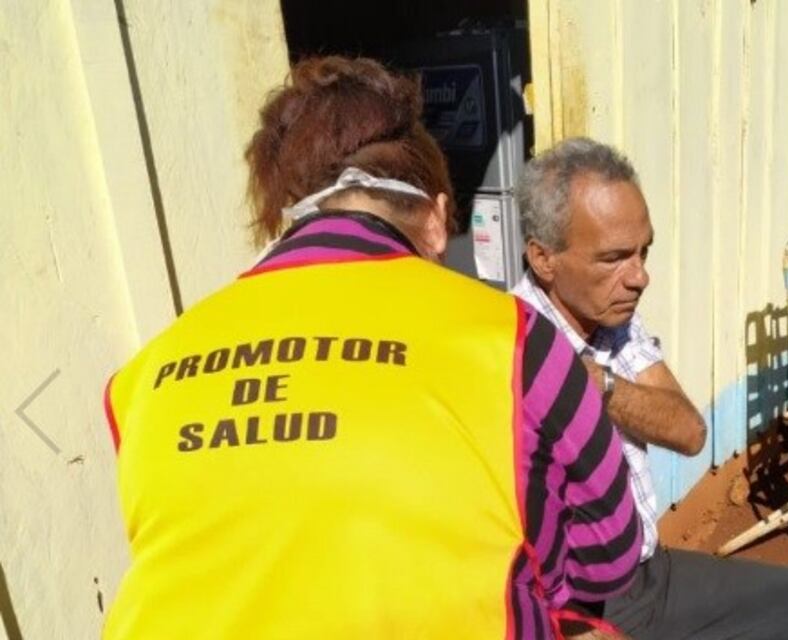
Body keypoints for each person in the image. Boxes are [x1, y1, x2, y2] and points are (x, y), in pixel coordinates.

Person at [101, 59, 641, 639]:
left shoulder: (140, 377)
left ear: (281, 221)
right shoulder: (512, 336)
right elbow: (611, 553)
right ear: (436, 222)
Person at [513, 137, 788, 640]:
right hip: (582, 609)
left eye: (644, 251)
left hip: (650, 575)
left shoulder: (610, 322)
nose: (640, 277)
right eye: (614, 257)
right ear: (544, 259)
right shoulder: (508, 350)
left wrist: (599, 385)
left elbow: (689, 432)